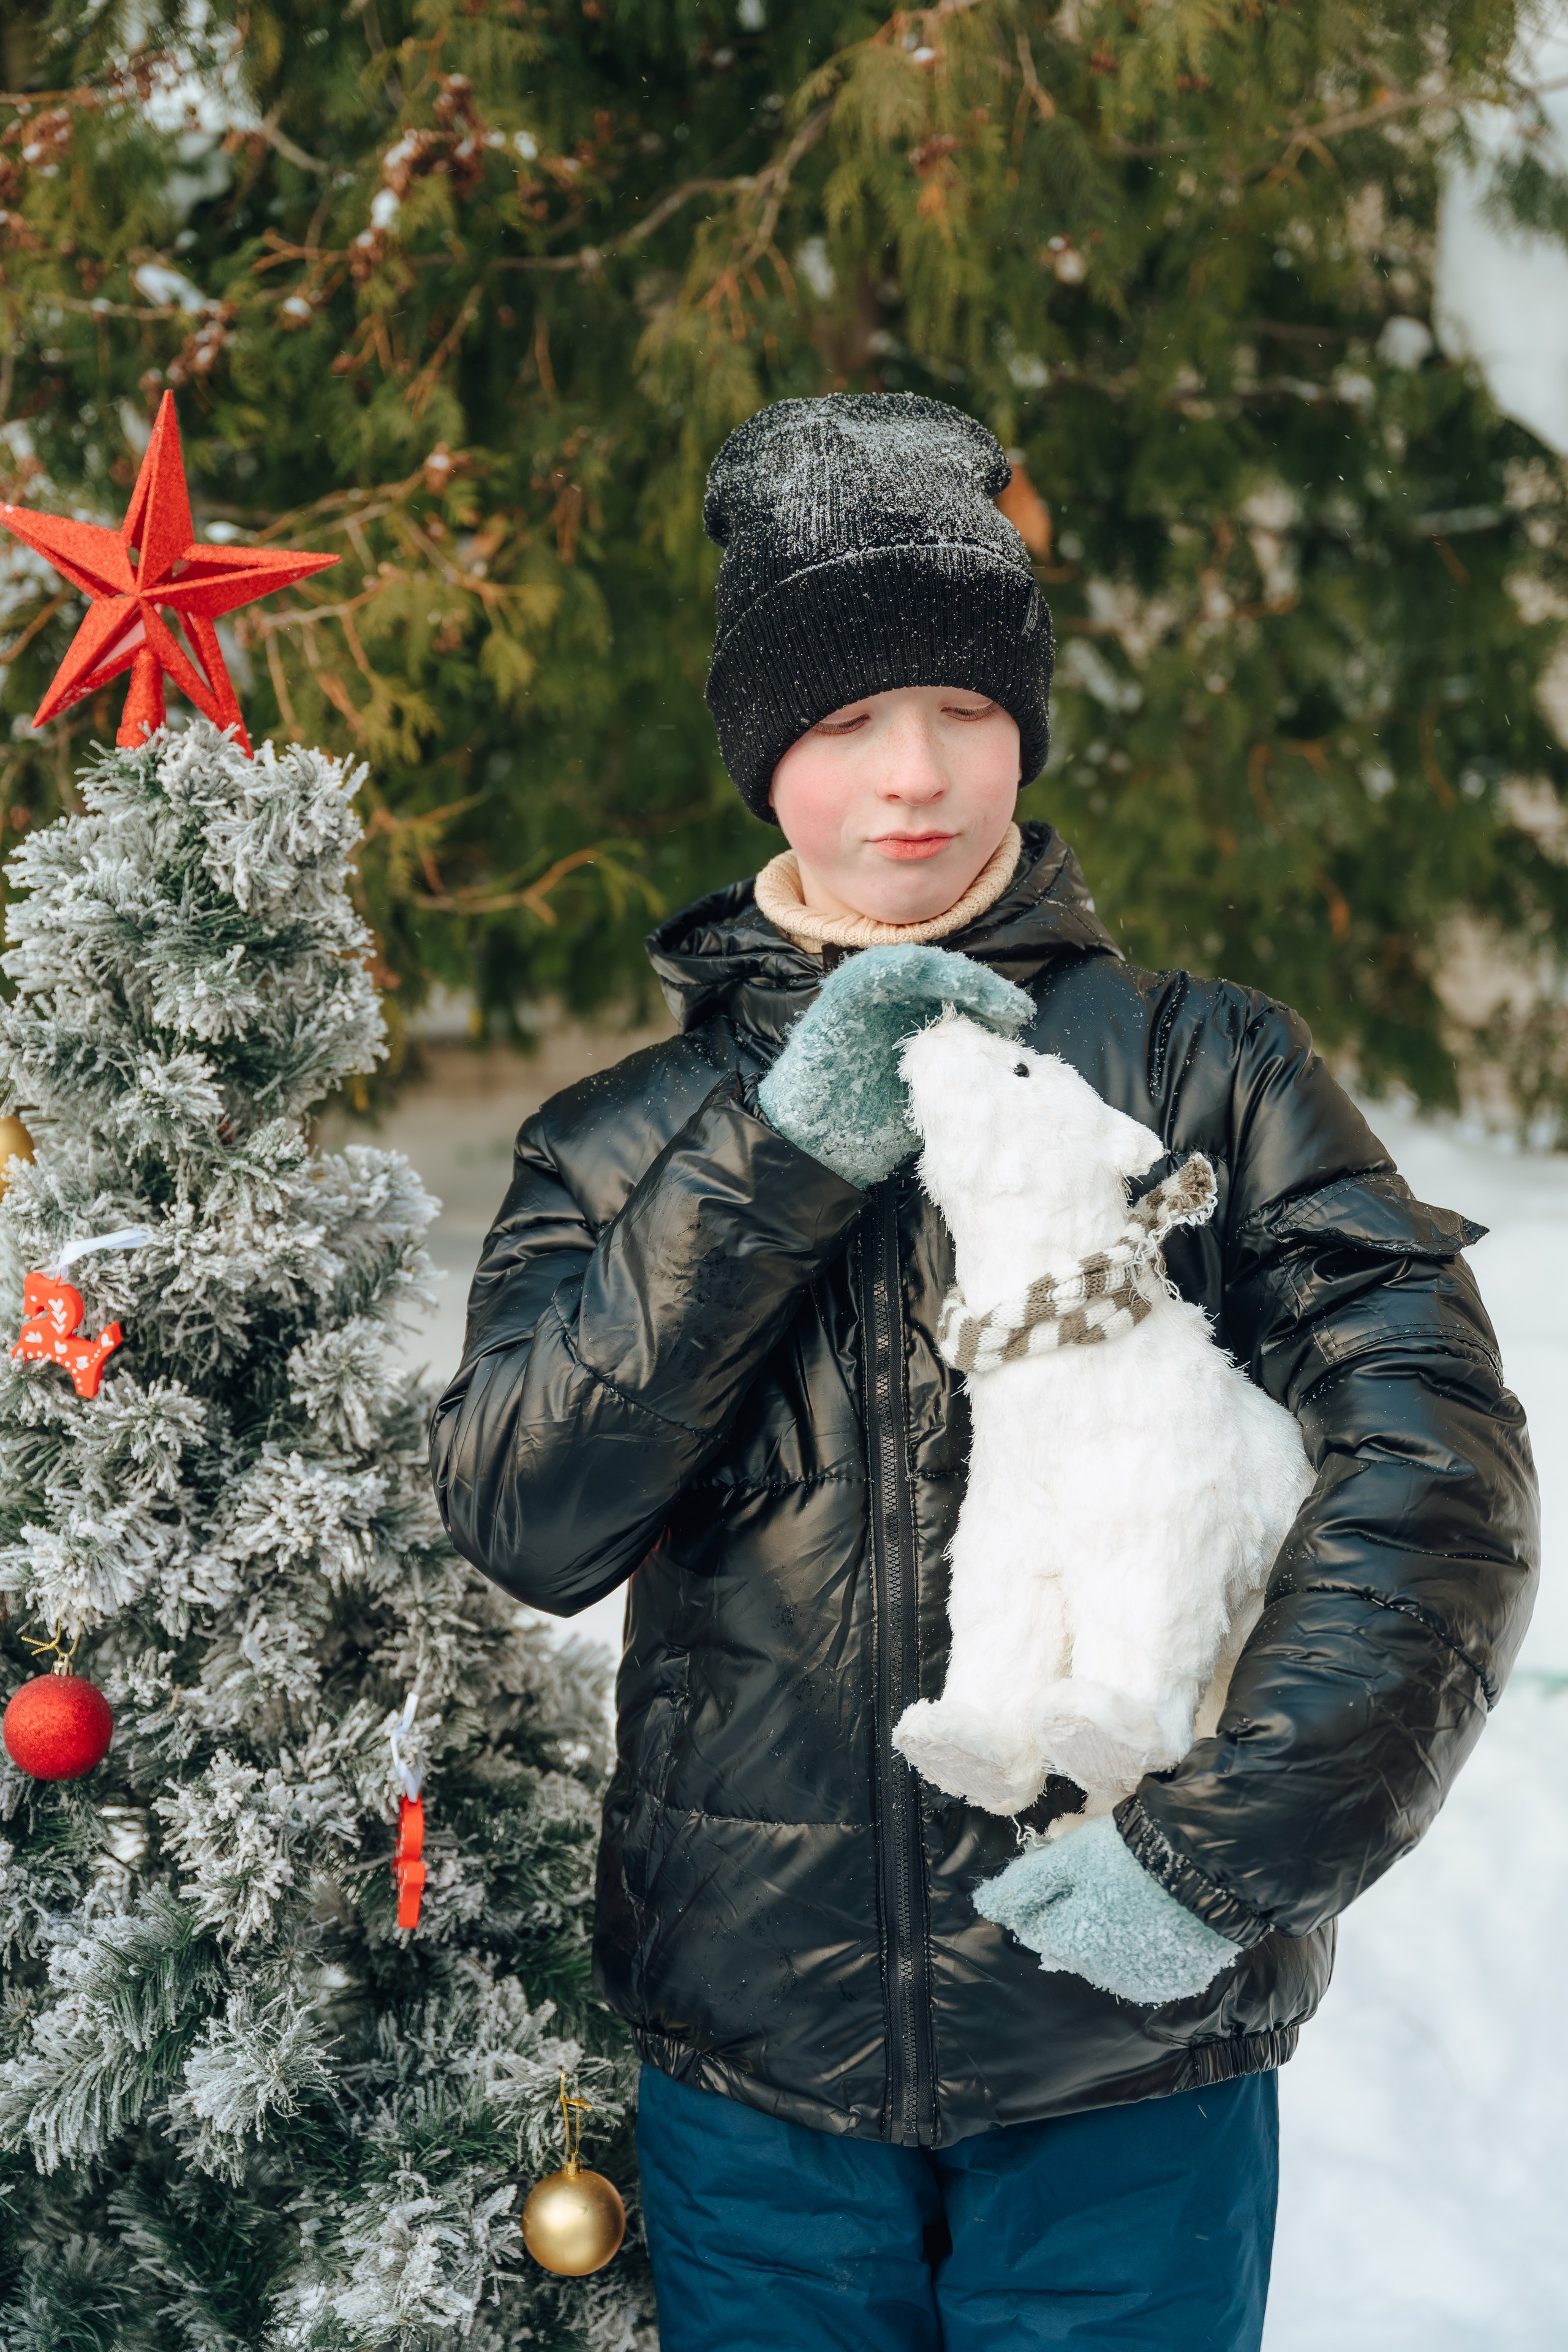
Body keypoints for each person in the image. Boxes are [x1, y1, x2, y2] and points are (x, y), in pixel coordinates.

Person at [430, 394, 1538, 2350]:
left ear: (1027, 720)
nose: (913, 778)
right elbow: (526, 1512)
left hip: (1133, 2076)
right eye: (845, 722)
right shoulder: (624, 1143)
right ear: (766, 753)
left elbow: (1434, 1476)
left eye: (962, 706)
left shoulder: (1212, 1072)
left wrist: (1212, 1867)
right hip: (757, 2097)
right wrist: (778, 1157)